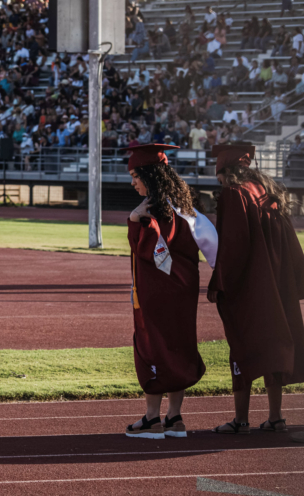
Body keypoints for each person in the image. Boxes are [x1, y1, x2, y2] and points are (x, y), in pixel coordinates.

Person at [208, 143, 304, 435]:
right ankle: (275, 417)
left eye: (219, 175)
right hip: (277, 284)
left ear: (225, 171)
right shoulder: (267, 192)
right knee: (274, 346)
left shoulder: (234, 195)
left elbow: (234, 247)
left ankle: (240, 419)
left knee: (242, 346)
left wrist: (221, 283)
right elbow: (290, 243)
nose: (219, 181)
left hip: (250, 287)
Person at [124, 145, 217, 439]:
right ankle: (175, 418)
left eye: (135, 175)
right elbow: (212, 246)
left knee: (153, 345)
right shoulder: (186, 209)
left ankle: (152, 420)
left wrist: (133, 220)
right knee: (180, 344)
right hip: (185, 290)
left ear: (148, 176)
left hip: (157, 292)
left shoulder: (151, 211)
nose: (132, 182)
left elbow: (148, 250)